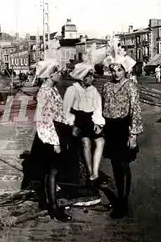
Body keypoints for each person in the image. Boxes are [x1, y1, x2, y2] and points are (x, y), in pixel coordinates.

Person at [102, 47, 143, 219]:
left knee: (123, 165)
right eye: (113, 70)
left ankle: (123, 203)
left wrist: (133, 134)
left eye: (119, 70)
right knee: (115, 166)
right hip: (110, 128)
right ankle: (119, 197)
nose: (116, 73)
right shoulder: (106, 86)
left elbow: (136, 110)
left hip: (124, 128)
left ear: (125, 70)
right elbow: (103, 108)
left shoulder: (131, 86)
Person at [29, 57, 72, 222]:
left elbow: (57, 113)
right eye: (57, 72)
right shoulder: (45, 92)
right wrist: (55, 142)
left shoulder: (52, 89)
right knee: (52, 172)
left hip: (55, 132)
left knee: (54, 171)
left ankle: (51, 202)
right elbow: (43, 119)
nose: (60, 74)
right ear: (49, 75)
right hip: (48, 136)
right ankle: (53, 208)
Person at [64, 61, 105, 184]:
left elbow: (98, 108)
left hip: (90, 119)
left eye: (93, 76)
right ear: (83, 77)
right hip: (78, 119)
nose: (92, 78)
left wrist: (98, 123)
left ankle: (95, 172)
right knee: (86, 142)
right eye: (90, 76)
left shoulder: (94, 91)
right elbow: (66, 109)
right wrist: (72, 125)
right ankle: (90, 171)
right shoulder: (72, 90)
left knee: (100, 141)